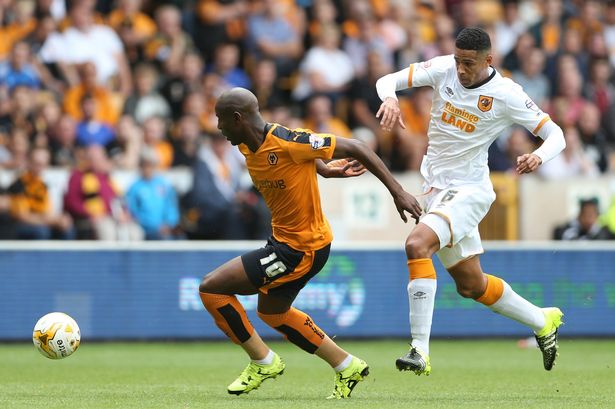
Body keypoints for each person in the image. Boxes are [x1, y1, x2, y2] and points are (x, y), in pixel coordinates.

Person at [199, 87, 421, 399]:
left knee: (211, 288)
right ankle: (347, 366)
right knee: (273, 313)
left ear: (238, 118)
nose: (219, 128)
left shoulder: (290, 140)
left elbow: (357, 147)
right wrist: (325, 170)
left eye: (221, 120)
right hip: (290, 242)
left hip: (299, 249)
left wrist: (398, 192)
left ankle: (262, 361)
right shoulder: (248, 146)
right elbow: (300, 162)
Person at [375, 27, 567, 375]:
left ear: (488, 60)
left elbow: (557, 134)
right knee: (471, 286)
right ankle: (542, 320)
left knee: (417, 245)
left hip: (469, 191)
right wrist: (389, 98)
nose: (461, 69)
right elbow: (387, 79)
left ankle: (419, 350)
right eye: (458, 61)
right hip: (436, 190)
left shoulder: (506, 93)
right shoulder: (444, 68)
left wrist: (539, 156)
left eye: (469, 63)